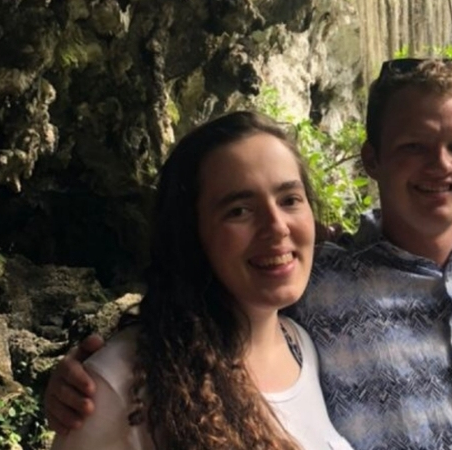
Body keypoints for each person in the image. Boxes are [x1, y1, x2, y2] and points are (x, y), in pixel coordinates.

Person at [45, 60, 452, 449]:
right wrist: (90, 372)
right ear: (372, 160)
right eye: (414, 146)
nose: (440, 166)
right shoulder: (316, 278)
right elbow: (204, 302)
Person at [49, 111, 353, 450]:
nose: (278, 226)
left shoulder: (302, 347)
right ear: (190, 234)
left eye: (289, 200)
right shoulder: (120, 384)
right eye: (239, 210)